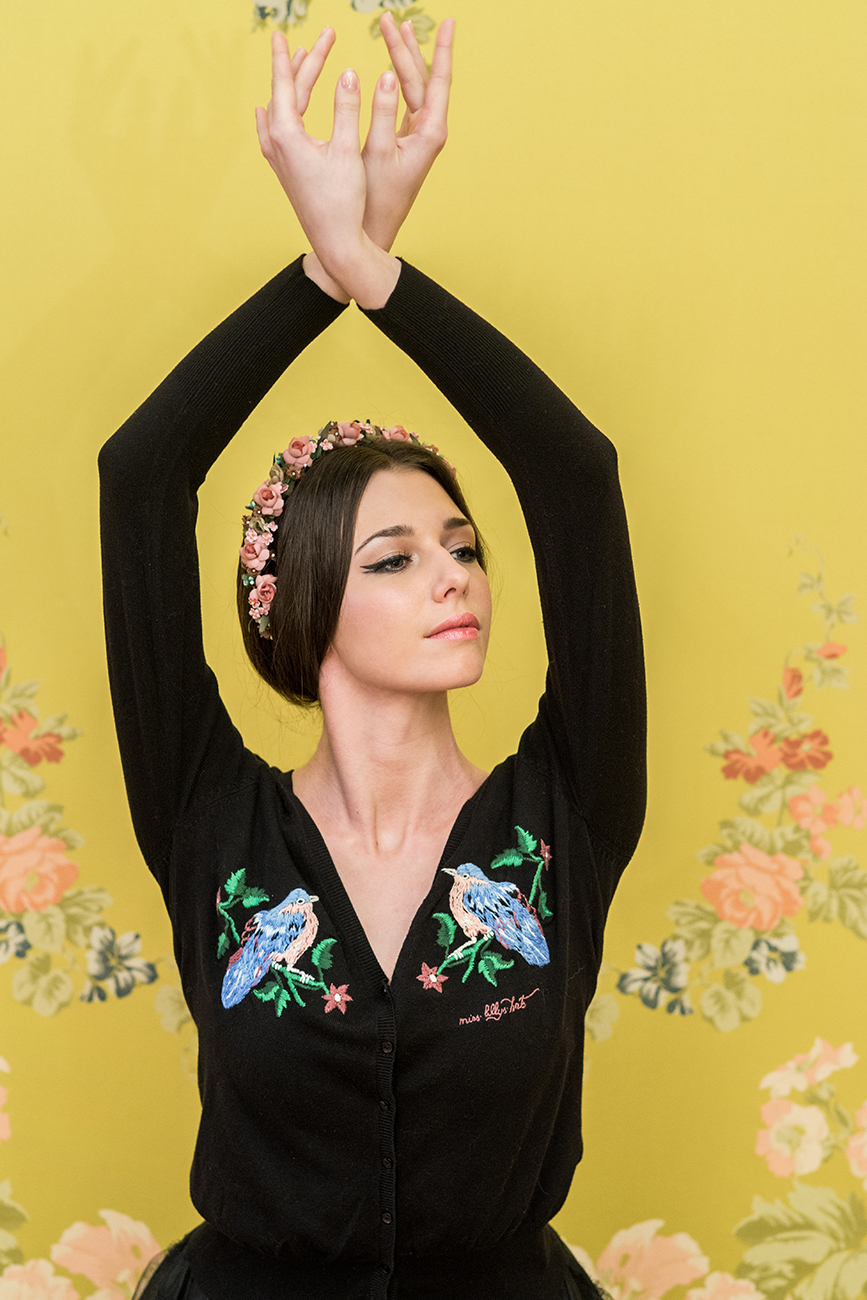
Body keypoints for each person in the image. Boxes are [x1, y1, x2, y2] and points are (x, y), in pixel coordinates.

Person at [101, 14, 646, 1300]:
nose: (454, 575)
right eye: (395, 559)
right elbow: (141, 476)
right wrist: (317, 273)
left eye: (462, 547)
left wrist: (379, 273)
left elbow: (575, 475)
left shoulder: (565, 811)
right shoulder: (209, 819)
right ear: (304, 607)